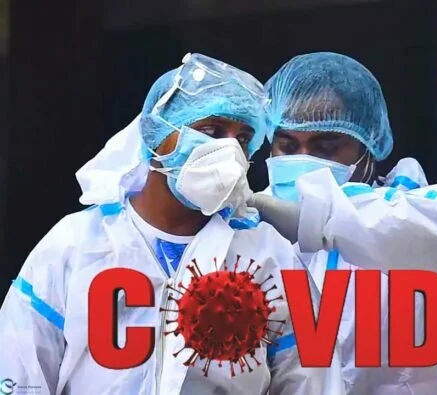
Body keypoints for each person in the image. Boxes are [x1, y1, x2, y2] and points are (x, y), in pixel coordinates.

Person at [0, 53, 342, 395]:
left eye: (241, 139)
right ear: (157, 132)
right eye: (211, 130)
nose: (227, 150)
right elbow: (20, 371)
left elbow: (314, 381)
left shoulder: (273, 256)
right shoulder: (75, 244)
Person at [248, 52, 437, 395]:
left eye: (326, 147)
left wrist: (319, 215)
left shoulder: (433, 207)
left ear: (369, 144)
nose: (303, 160)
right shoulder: (254, 225)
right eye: (287, 145)